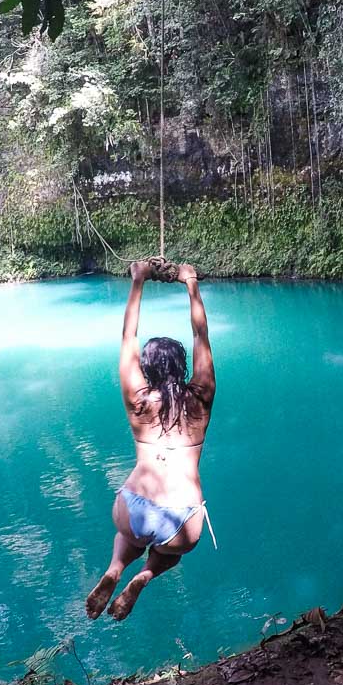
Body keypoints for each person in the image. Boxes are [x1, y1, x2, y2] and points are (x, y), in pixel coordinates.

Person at [85, 260, 216, 621]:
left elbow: (128, 337)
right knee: (170, 553)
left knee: (128, 536)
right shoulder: (201, 398)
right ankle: (144, 575)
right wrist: (191, 283)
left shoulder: (139, 402)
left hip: (133, 509)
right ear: (181, 366)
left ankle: (115, 568)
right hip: (182, 520)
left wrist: (138, 280)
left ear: (148, 368)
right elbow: (201, 335)